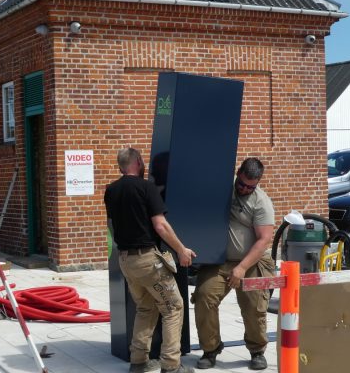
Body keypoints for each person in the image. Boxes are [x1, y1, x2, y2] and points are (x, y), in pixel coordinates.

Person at [104, 147, 196, 373]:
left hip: (126, 261)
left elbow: (111, 225)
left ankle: (138, 362)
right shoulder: (146, 188)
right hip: (148, 261)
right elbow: (160, 225)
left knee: (145, 308)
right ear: (137, 162)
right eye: (142, 161)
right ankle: (171, 365)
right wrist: (182, 250)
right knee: (174, 307)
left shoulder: (111, 190)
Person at [193, 157, 275, 370]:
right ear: (238, 173)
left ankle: (257, 350)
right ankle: (211, 349)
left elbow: (264, 239)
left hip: (251, 263)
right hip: (219, 261)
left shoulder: (261, 201)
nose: (245, 189)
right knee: (204, 297)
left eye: (250, 186)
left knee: (254, 307)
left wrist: (242, 268)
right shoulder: (223, 187)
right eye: (242, 184)